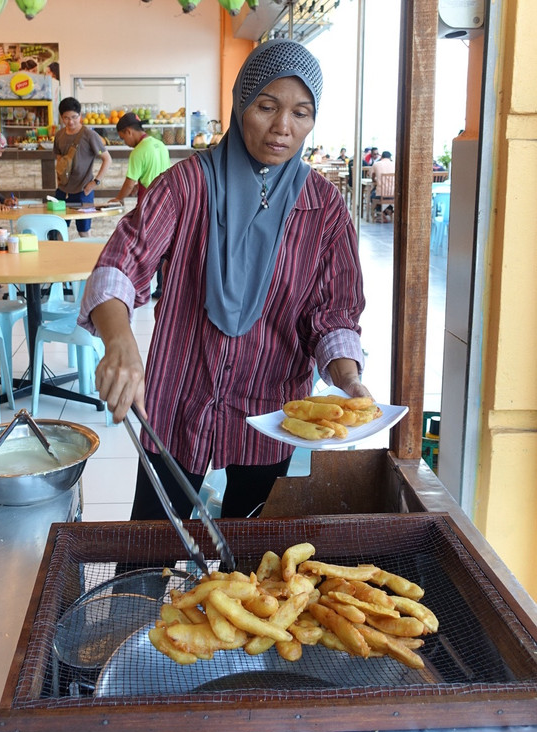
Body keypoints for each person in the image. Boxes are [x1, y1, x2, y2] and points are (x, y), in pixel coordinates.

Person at [78, 39, 370, 521]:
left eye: (301, 112)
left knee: (253, 563)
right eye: (267, 106)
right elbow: (121, 262)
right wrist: (119, 341)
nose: (282, 127)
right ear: (241, 104)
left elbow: (332, 315)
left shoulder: (323, 209)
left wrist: (349, 381)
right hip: (179, 396)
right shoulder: (188, 185)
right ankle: (143, 596)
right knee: (150, 548)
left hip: (271, 408)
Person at [107, 111, 171, 298]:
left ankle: (140, 286)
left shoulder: (139, 151)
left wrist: (118, 198)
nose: (124, 142)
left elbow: (130, 182)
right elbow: (157, 174)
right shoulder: (160, 145)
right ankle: (161, 287)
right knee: (163, 245)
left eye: (122, 138)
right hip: (166, 203)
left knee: (144, 246)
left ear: (128, 131)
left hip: (149, 206)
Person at [53, 96, 112, 235]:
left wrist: (95, 182)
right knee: (58, 230)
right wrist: (59, 180)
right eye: (66, 118)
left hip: (83, 191)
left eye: (74, 117)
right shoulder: (59, 135)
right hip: (62, 192)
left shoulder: (89, 135)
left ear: (80, 115)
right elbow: (59, 159)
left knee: (84, 232)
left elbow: (107, 159)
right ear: (61, 117)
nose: (71, 121)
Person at [370, 149, 394, 220]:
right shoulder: (395, 164)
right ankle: (386, 211)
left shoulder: (376, 164)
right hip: (393, 195)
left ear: (381, 157)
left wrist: (375, 180)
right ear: (390, 158)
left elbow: (372, 175)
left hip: (380, 194)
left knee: (372, 195)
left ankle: (380, 213)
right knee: (377, 193)